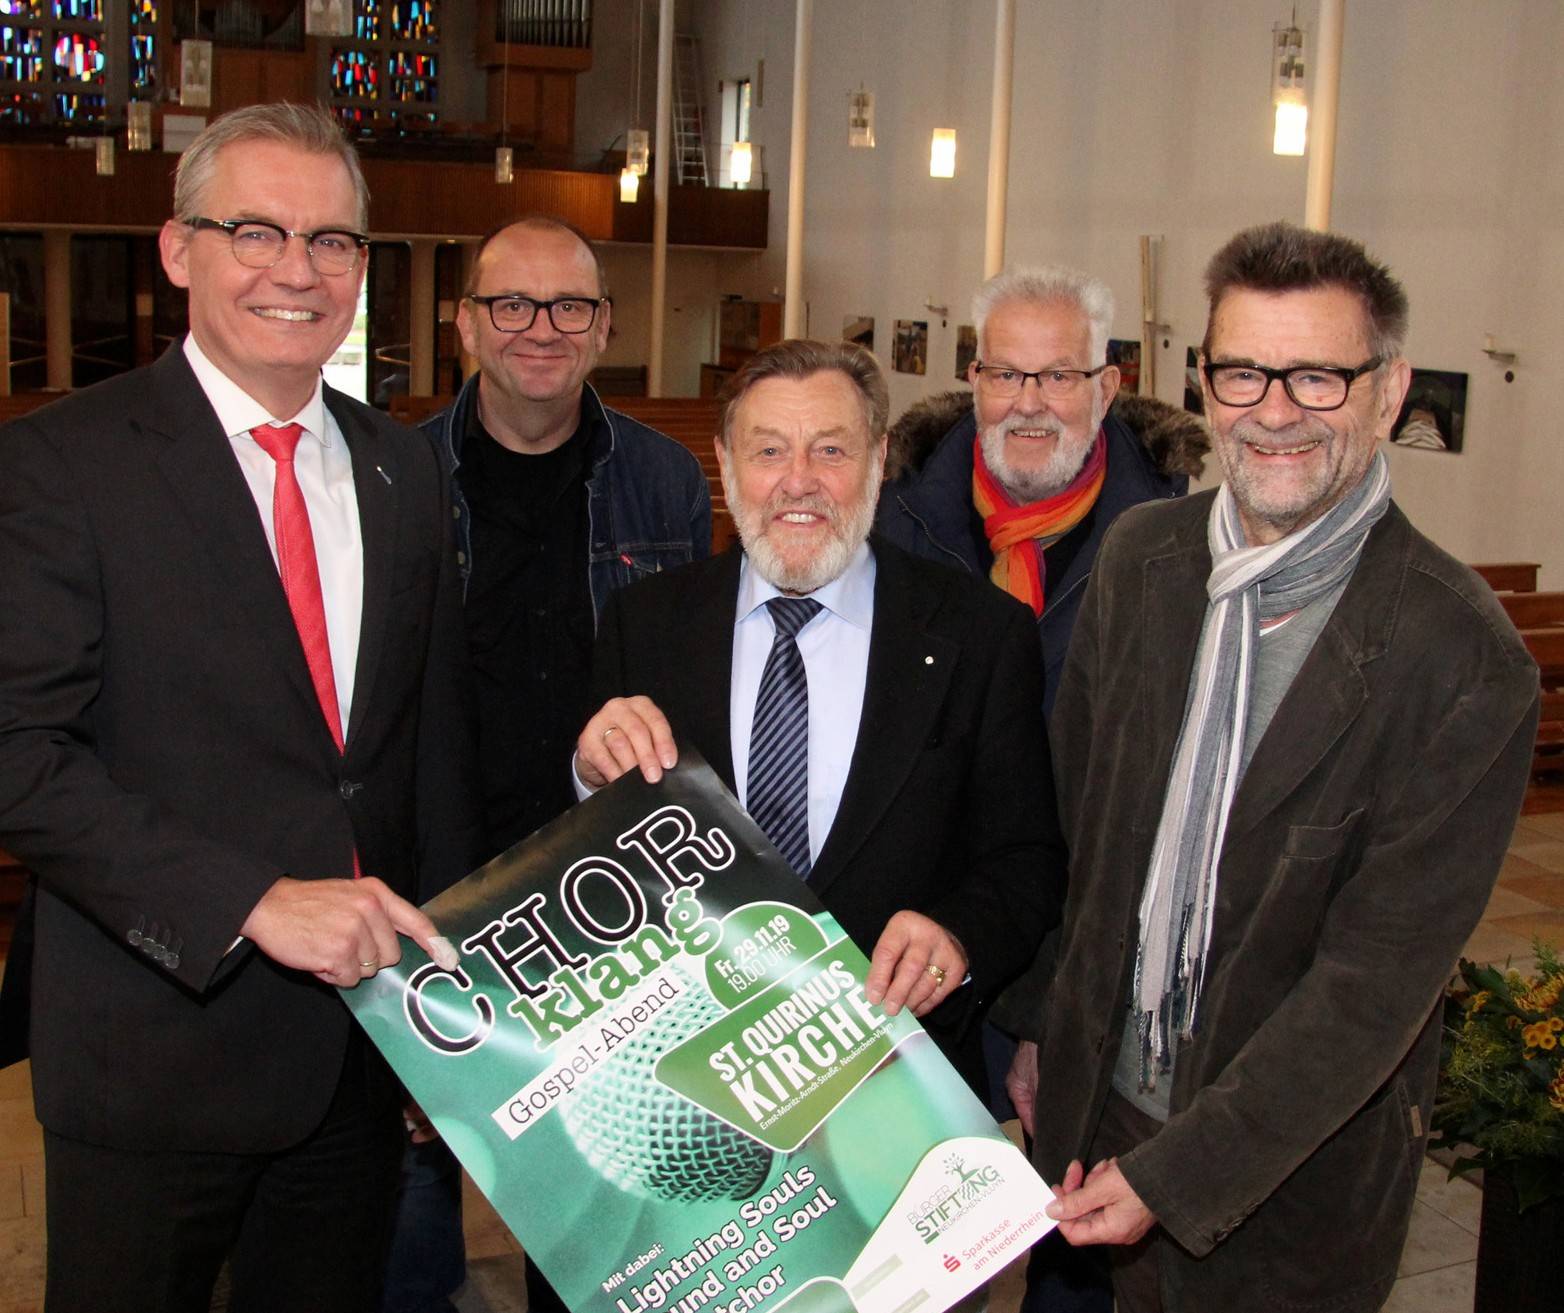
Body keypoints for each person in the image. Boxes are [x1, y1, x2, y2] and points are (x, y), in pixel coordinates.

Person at [0, 103, 480, 1313]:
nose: (297, 269)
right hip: (155, 1045)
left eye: (331, 240)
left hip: (360, 1055)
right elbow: (17, 754)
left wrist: (446, 1008)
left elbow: (418, 751)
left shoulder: (403, 465)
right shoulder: (61, 463)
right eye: (256, 230)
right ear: (178, 249)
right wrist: (250, 901)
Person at [1009, 222, 1540, 1312]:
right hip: (1096, 1104)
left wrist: (1177, 1171)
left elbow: (1371, 988)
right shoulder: (1142, 560)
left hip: (1284, 1172)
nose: (1276, 409)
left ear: (1387, 389)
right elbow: (1083, 829)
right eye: (1245, 371)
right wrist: (1040, 1020)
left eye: (1318, 374)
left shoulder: (1461, 656)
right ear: (1204, 382)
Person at [573, 337, 1067, 1089]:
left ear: (878, 457)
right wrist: (586, 776)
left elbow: (1027, 859)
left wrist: (959, 934)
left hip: (901, 1074)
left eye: (830, 449)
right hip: (689, 1075)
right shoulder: (644, 625)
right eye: (768, 450)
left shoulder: (980, 634)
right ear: (726, 460)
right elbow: (599, 868)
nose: (797, 482)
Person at [391, 217, 710, 1313]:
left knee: (588, 1211)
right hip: (431, 879)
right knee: (410, 1197)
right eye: (511, 306)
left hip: (594, 892)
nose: (541, 329)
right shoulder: (398, 473)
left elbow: (688, 680)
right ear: (466, 323)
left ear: (605, 325)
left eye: (569, 306)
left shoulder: (664, 478)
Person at [877, 267, 1208, 1313]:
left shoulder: (1181, 547)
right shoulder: (890, 525)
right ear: (972, 380)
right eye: (1005, 371)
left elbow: (1166, 793)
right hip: (920, 953)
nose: (1029, 399)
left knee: (1082, 1249)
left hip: (1098, 960)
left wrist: (1049, 1008)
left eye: (1057, 373)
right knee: (917, 1249)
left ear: (1106, 387)